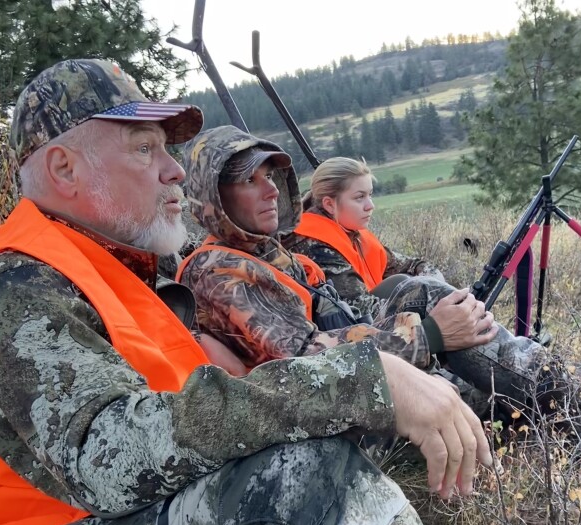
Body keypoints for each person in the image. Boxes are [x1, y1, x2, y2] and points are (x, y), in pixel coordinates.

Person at [0, 58, 510, 525]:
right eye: (144, 149)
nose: (174, 170)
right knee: (296, 487)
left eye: (168, 150)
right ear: (64, 168)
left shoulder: (116, 274)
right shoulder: (9, 285)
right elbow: (112, 457)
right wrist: (362, 378)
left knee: (307, 467)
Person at [178, 125, 557, 416]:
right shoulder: (218, 271)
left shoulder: (263, 252)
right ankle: (560, 394)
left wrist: (432, 326)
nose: (272, 191)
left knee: (425, 298)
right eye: (249, 180)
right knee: (477, 396)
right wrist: (429, 335)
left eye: (269, 177)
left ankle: (549, 384)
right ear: (213, 198)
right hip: (323, 407)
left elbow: (349, 312)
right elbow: (304, 360)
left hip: (356, 375)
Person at [284, 156, 443, 322]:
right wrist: (433, 301)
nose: (370, 205)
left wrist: (436, 285)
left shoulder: (353, 233)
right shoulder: (314, 245)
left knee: (405, 281)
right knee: (411, 287)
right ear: (329, 204)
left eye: (370, 195)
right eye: (359, 197)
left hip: (375, 324)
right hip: (349, 331)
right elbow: (363, 311)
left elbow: (413, 265)